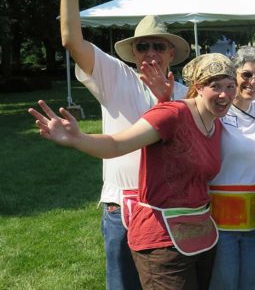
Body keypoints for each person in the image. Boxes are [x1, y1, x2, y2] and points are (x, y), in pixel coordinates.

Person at [29, 53, 237, 289]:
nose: (224, 94)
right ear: (198, 87)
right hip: (162, 240)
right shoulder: (172, 114)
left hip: (198, 235)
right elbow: (117, 144)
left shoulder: (215, 122)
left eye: (230, 86)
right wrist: (78, 138)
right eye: (215, 86)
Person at [59, 0, 189, 290]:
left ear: (171, 53)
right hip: (121, 207)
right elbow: (72, 39)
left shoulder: (188, 93)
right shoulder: (116, 76)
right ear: (133, 52)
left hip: (169, 209)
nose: (150, 53)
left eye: (158, 46)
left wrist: (166, 100)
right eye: (143, 46)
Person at [208, 46, 255, 290]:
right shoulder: (215, 109)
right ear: (233, 75)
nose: (253, 82)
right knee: (224, 284)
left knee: (252, 284)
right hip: (220, 222)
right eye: (246, 75)